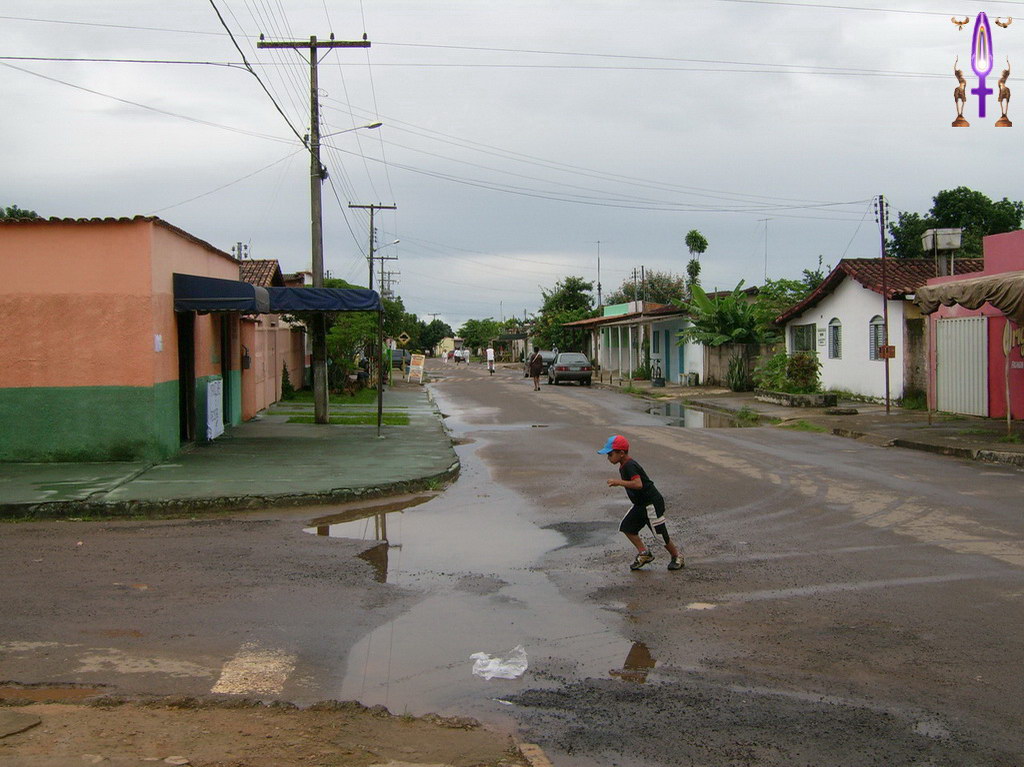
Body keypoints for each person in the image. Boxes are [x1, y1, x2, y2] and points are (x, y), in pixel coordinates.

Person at [598, 434, 684, 571]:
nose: (608, 458)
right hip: (640, 504)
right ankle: (644, 553)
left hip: (651, 503)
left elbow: (638, 484)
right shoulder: (624, 465)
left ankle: (677, 556)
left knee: (660, 534)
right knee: (627, 527)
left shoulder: (630, 465)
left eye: (610, 454)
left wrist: (618, 482)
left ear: (621, 453)